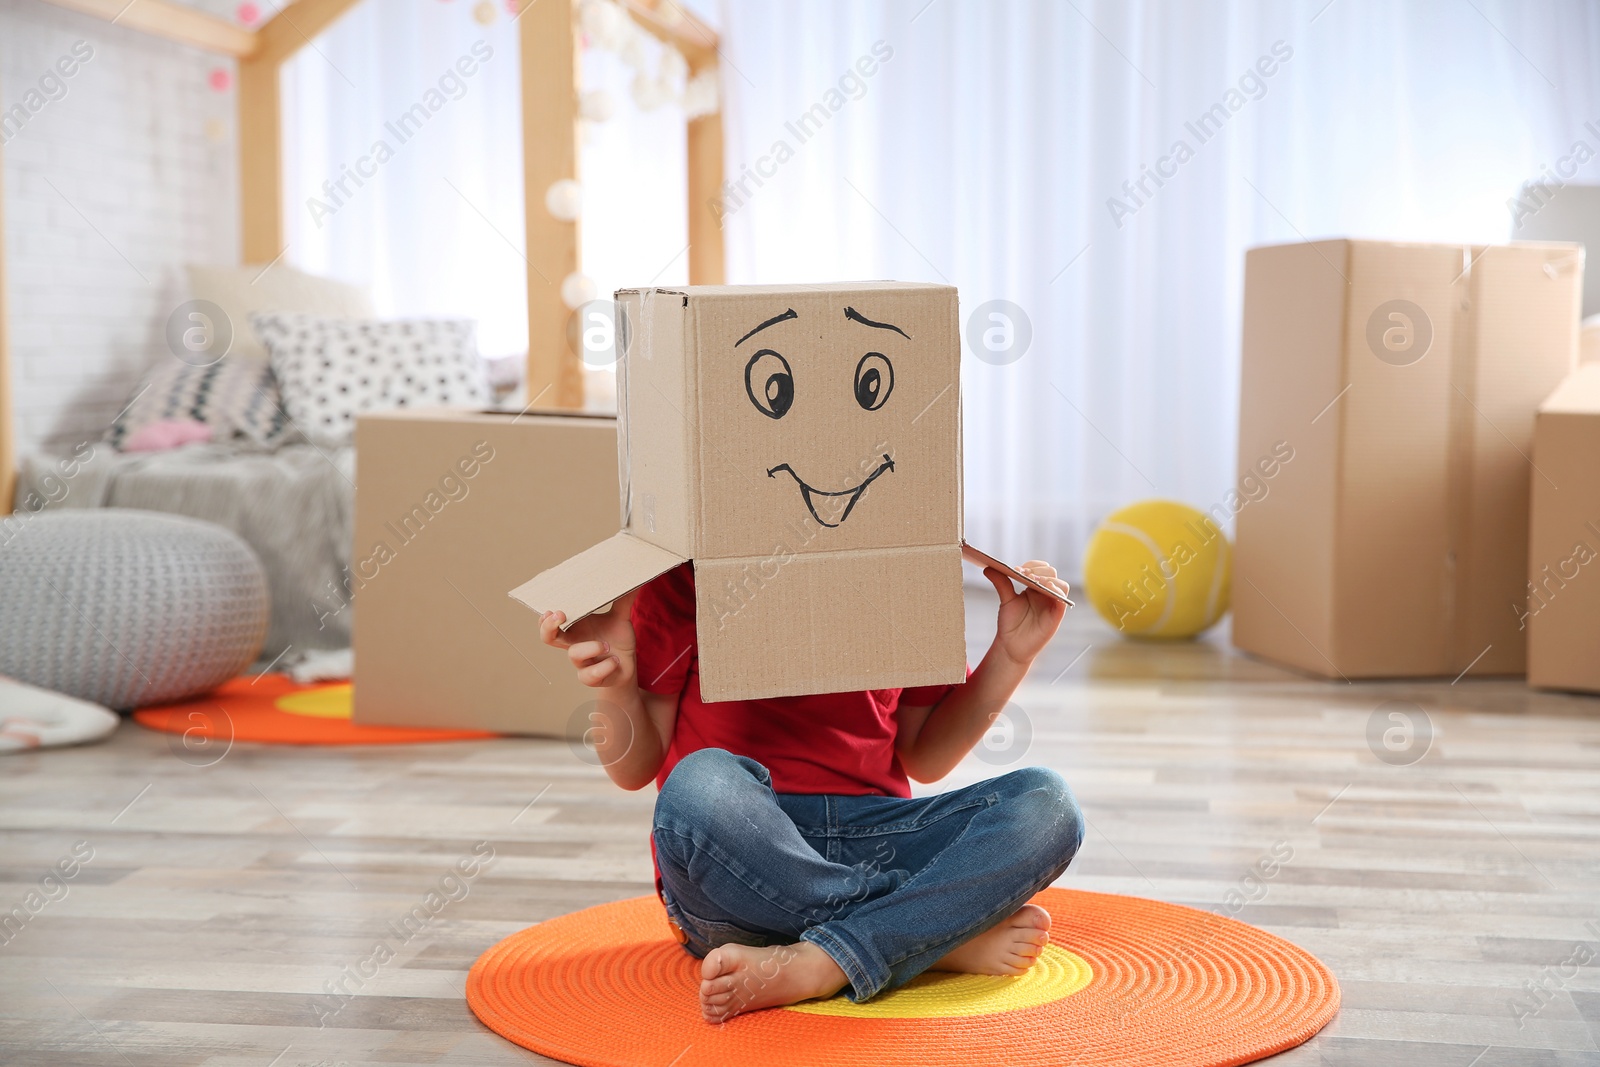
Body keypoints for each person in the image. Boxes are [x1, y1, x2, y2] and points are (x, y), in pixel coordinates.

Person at [538, 559, 1083, 1023]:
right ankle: (926, 931)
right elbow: (635, 770)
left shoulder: (907, 570)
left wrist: (1012, 655)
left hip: (877, 837)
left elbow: (926, 755)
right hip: (739, 862)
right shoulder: (685, 579)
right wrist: (614, 684)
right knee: (698, 784)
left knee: (1047, 803)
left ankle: (828, 959)